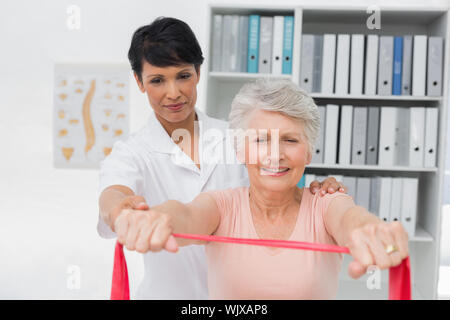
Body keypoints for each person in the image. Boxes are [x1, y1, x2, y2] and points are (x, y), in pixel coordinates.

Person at [98, 17, 346, 299]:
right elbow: (113, 194)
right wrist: (121, 211)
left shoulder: (239, 136)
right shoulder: (131, 152)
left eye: (183, 75)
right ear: (139, 82)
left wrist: (321, 192)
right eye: (157, 80)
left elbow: (280, 183)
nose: (173, 92)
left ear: (198, 72)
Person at [113, 79, 410, 299]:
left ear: (308, 153)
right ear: (240, 150)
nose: (275, 155)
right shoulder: (222, 206)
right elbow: (185, 214)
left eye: (290, 140)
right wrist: (156, 218)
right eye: (260, 140)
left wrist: (371, 230)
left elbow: (351, 220)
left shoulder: (326, 202)